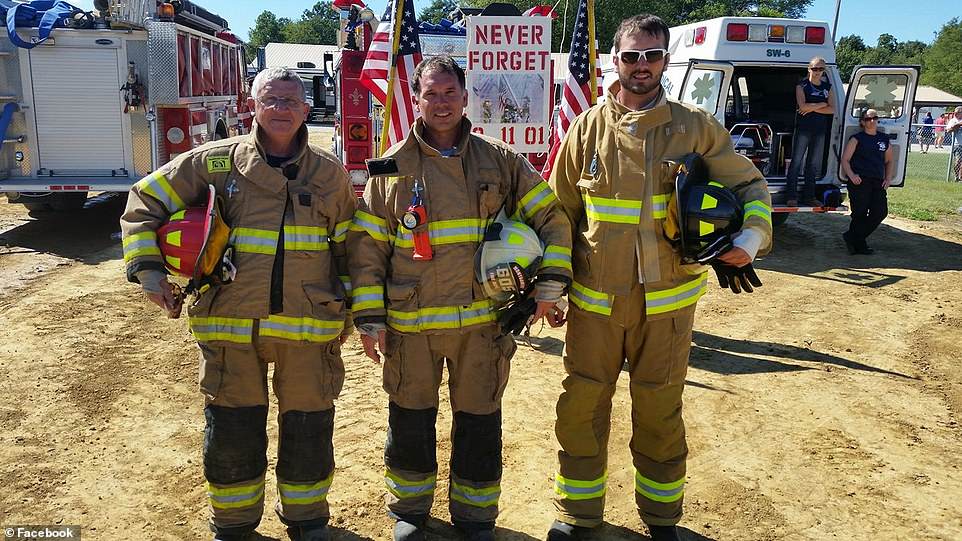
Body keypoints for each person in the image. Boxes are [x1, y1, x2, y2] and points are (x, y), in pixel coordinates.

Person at [545, 14, 772, 541]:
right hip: (595, 307)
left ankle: (663, 519)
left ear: (665, 59)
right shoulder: (587, 129)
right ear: (615, 60)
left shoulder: (695, 128)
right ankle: (579, 515)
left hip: (667, 308)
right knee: (581, 407)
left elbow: (753, 189)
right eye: (631, 55)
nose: (641, 65)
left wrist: (745, 242)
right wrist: (552, 286)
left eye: (651, 54)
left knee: (659, 412)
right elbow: (558, 215)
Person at [120, 67, 357, 541]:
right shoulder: (212, 164)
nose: (282, 110)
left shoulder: (329, 175)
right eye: (271, 100)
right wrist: (148, 272)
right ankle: (233, 524)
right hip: (230, 326)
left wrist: (351, 310)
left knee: (309, 425)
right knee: (232, 425)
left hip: (308, 328)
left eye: (292, 101)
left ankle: (307, 519)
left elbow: (352, 249)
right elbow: (143, 203)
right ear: (252, 104)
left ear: (308, 109)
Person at [347, 56, 572, 541]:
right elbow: (367, 251)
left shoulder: (501, 161)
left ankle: (475, 515)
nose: (441, 103)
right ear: (417, 98)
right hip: (412, 326)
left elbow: (552, 219)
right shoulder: (391, 170)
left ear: (466, 98)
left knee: (480, 418)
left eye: (450, 92)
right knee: (410, 417)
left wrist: (550, 284)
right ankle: (409, 510)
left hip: (482, 326)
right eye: (431, 93)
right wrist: (369, 318)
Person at [840, 109, 893, 255]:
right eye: (868, 119)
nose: (872, 121)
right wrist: (852, 175)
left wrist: (888, 179)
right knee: (859, 214)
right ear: (862, 122)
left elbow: (889, 161)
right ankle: (859, 244)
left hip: (878, 182)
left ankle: (851, 237)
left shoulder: (884, 139)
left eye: (875, 118)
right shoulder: (857, 138)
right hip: (860, 181)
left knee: (880, 212)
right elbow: (845, 160)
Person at [785, 56, 835, 207]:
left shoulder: (828, 87)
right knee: (796, 162)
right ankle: (791, 196)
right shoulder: (802, 86)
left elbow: (832, 109)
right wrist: (821, 104)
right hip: (803, 129)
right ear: (809, 69)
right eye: (815, 68)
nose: (818, 71)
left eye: (821, 69)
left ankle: (809, 197)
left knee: (812, 164)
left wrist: (811, 106)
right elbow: (802, 107)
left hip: (820, 130)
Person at [946, 106, 962, 182]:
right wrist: (957, 125)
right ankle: (956, 176)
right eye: (955, 112)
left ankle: (960, 178)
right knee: (957, 162)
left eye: (958, 112)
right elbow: (948, 130)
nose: (956, 114)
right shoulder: (953, 121)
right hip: (958, 144)